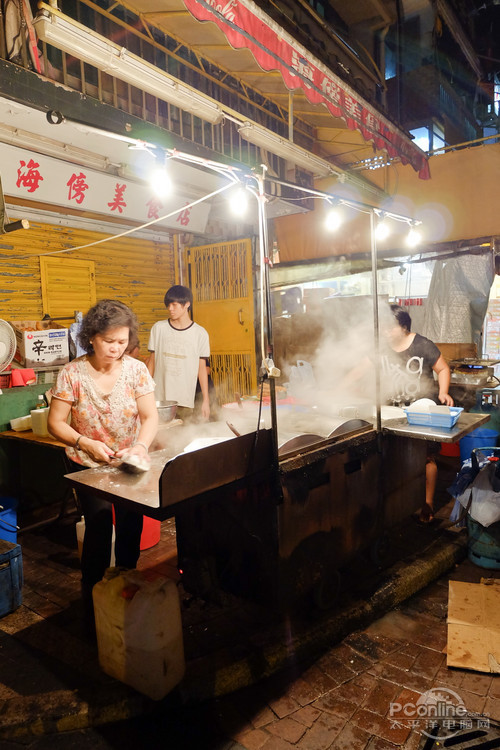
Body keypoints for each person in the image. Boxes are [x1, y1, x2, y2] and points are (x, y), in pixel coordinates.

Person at [47, 299, 158, 619]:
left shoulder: (136, 370)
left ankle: (126, 584)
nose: (115, 348)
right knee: (97, 525)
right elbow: (56, 423)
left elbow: (150, 417)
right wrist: (86, 443)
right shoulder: (72, 373)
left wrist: (139, 447)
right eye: (109, 341)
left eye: (122, 342)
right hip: (88, 462)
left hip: (128, 460)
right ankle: (93, 595)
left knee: (130, 522)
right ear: (92, 337)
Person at [381, 304, 454, 524]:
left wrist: (443, 393)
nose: (384, 331)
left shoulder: (422, 345)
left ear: (403, 326)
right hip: (393, 409)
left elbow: (443, 369)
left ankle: (427, 503)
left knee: (426, 457)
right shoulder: (382, 347)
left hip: (422, 408)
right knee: (396, 455)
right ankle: (400, 500)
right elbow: (363, 368)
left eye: (388, 327)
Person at [146, 285, 210, 421]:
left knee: (182, 438)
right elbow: (152, 362)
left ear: (187, 304)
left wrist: (206, 400)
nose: (170, 308)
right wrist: (144, 392)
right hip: (159, 399)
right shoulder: (158, 328)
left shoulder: (200, 333)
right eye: (168, 305)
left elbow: (202, 369)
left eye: (174, 305)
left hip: (185, 400)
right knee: (160, 439)